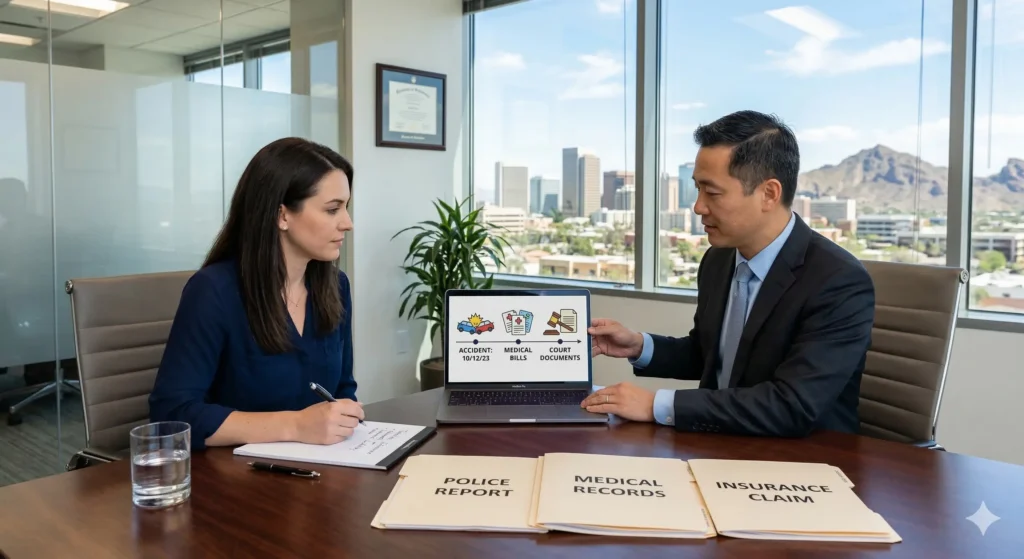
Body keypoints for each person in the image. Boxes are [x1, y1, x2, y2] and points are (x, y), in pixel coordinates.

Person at [581, 110, 874, 437]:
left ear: (769, 194)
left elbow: (792, 405)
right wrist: (638, 345)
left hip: (803, 461)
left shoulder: (837, 281)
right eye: (697, 190)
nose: (698, 207)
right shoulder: (719, 259)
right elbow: (712, 355)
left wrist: (657, 405)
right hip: (718, 441)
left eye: (712, 192)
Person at [149, 137, 361, 450]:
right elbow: (172, 415)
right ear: (282, 215)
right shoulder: (213, 291)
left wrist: (344, 416)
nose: (348, 223)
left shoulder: (336, 286)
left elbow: (343, 388)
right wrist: (296, 425)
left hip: (321, 472)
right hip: (236, 478)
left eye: (346, 207)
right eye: (332, 210)